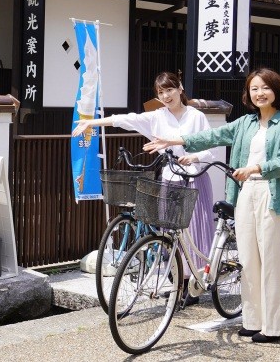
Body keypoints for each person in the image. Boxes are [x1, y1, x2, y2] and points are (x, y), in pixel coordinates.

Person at [143, 67, 280, 343]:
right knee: (249, 260)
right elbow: (212, 137)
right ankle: (253, 321)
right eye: (254, 89)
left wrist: (253, 168)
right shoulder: (245, 123)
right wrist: (175, 140)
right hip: (245, 193)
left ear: (276, 90)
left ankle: (274, 327)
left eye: (265, 87)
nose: (260, 93)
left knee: (272, 262)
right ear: (248, 94)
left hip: (272, 195)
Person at [72, 71, 216, 304]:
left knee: (195, 233)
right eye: (161, 92)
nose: (166, 96)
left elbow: (211, 149)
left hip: (194, 178)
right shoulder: (157, 117)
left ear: (180, 88)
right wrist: (92, 122)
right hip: (169, 180)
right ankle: (179, 281)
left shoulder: (196, 116)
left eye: (169, 90)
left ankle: (195, 282)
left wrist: (195, 157)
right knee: (169, 233)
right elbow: (125, 119)